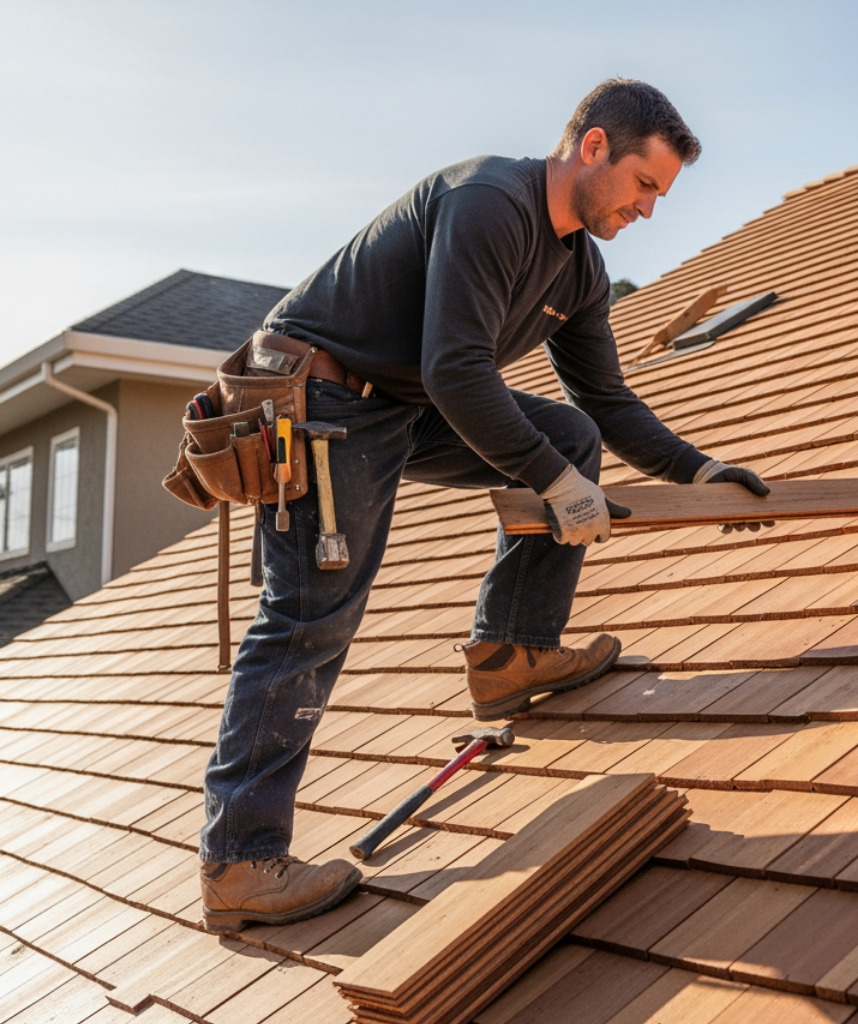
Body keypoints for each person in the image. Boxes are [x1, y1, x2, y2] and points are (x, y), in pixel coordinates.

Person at [197, 79, 768, 934]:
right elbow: (456, 369)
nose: (649, 209)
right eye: (644, 184)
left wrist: (699, 470)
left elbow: (606, 401)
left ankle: (512, 653)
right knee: (310, 618)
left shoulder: (579, 270)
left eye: (661, 195)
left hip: (398, 405)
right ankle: (240, 860)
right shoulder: (489, 201)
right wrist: (558, 486)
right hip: (317, 400)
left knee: (571, 432)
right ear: (594, 146)